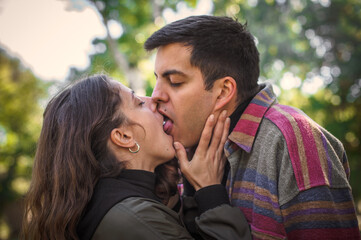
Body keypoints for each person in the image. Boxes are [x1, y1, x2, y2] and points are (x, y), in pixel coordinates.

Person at [145, 15, 361, 239]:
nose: (155, 96)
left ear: (223, 91)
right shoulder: (186, 147)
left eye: (175, 82)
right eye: (157, 79)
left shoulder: (293, 140)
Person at [21, 74, 251, 240]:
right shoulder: (133, 220)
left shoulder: (124, 203)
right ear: (123, 136)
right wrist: (210, 191)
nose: (154, 100)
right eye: (139, 103)